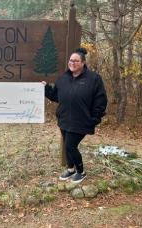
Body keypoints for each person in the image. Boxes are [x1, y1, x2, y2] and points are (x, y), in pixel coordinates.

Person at [43, 48, 107, 183]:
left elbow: (100, 100)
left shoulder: (93, 79)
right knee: (67, 145)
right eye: (71, 60)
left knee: (70, 146)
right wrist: (46, 88)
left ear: (83, 63)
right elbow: (56, 96)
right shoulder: (63, 78)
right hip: (64, 119)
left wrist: (95, 118)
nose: (72, 63)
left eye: (76, 61)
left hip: (82, 121)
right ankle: (70, 169)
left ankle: (81, 171)